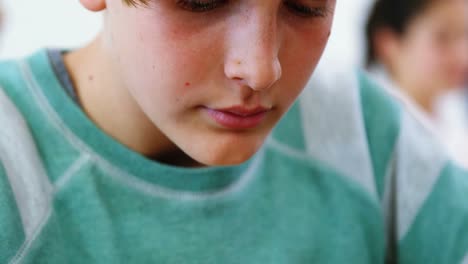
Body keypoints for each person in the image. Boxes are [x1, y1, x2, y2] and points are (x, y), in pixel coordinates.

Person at [0, 0, 466, 263]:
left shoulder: (363, 135)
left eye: (307, 5)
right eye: (201, 0)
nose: (262, 69)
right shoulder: (12, 170)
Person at [365, 0, 468, 167]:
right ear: (388, 44)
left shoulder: (450, 105)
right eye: (443, 38)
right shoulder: (373, 124)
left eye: (464, 35)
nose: (462, 55)